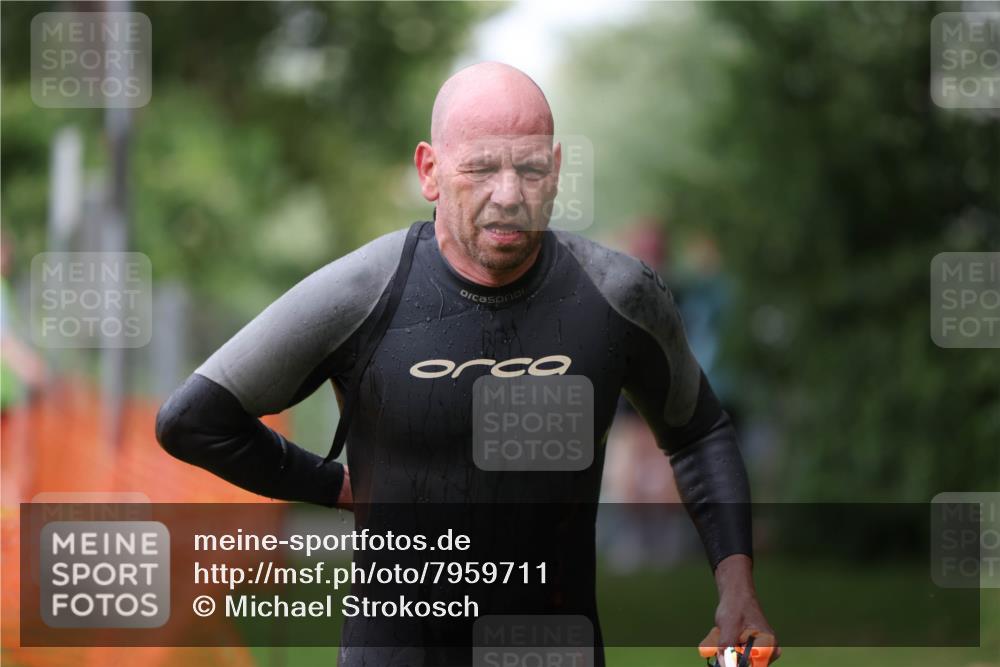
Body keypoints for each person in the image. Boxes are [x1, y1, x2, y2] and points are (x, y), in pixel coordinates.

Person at [156, 61, 780, 666]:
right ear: (430, 171)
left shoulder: (618, 295)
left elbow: (698, 434)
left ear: (557, 170)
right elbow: (194, 420)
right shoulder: (361, 292)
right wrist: (335, 487)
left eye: (530, 169)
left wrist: (737, 588)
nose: (508, 196)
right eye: (481, 168)